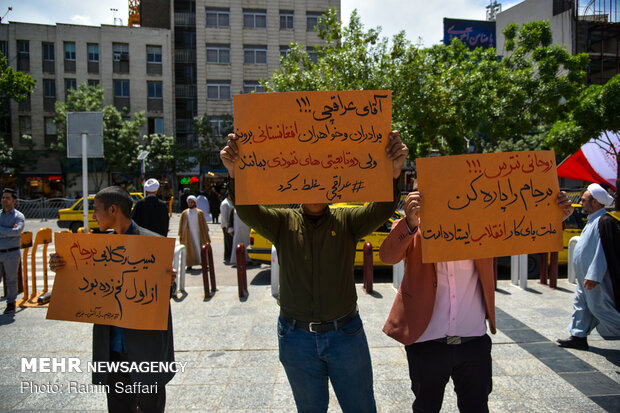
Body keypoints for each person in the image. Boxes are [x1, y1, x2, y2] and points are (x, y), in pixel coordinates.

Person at [220, 130, 408, 413]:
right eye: (309, 178)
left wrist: (394, 173)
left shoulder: (346, 220)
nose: (316, 185)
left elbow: (379, 210)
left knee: (361, 407)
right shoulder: (282, 222)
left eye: (323, 178)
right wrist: (235, 174)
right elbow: (248, 211)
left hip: (346, 334)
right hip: (296, 340)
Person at [380, 189, 575, 412]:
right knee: (426, 406)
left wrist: (554, 217)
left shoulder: (484, 225)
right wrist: (411, 223)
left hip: (473, 342)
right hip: (426, 342)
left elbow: (523, 235)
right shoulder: (415, 226)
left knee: (477, 407)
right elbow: (387, 256)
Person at [49, 186, 176, 413]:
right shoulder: (96, 248)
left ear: (113, 210)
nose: (94, 215)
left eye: (96, 209)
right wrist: (62, 266)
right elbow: (82, 282)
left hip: (145, 350)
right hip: (113, 351)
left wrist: (168, 280)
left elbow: (165, 295)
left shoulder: (152, 243)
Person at [557, 183, 620, 350]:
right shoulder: (592, 220)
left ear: (596, 202)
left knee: (600, 309)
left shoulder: (604, 221)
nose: (582, 202)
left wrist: (594, 276)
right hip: (584, 277)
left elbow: (603, 252)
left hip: (593, 279)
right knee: (581, 306)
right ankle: (578, 336)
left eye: (584, 200)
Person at [0, 188, 25, 314]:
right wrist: (8, 231)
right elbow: (11, 232)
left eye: (7, 198)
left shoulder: (19, 216)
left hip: (11, 253)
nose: (4, 200)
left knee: (11, 279)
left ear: (14, 201)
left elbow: (16, 232)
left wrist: (1, 230)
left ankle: (11, 303)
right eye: (3, 197)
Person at [178, 195, 210, 270]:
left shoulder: (199, 212)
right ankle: (189, 264)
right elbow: (181, 225)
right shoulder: (184, 213)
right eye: (189, 202)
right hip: (188, 234)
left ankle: (203, 263)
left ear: (195, 203)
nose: (190, 204)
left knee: (200, 247)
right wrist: (181, 234)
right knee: (189, 248)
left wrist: (206, 234)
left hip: (199, 234)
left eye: (192, 202)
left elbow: (204, 225)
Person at [219, 193, 233, 264]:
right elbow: (224, 216)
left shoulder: (230, 202)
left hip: (229, 225)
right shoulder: (225, 203)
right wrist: (227, 226)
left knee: (230, 241)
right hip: (226, 226)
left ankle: (229, 254)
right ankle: (227, 255)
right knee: (228, 241)